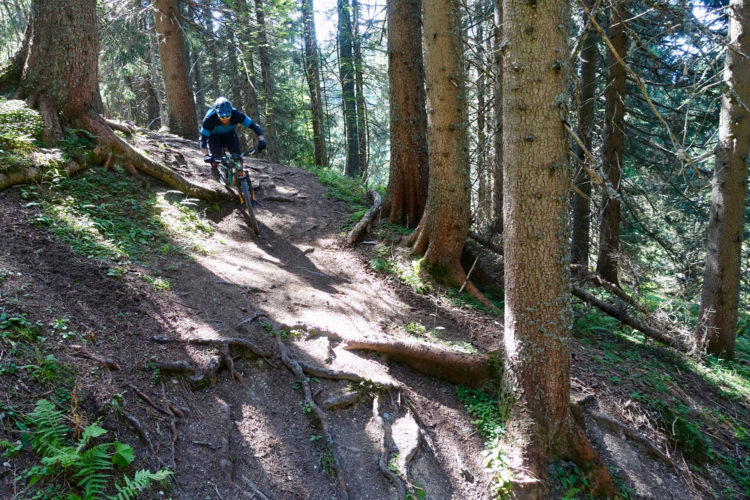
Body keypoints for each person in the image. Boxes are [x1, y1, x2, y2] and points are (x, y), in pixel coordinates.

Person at [200, 96, 266, 164]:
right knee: (216, 159)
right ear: (216, 113)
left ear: (231, 112)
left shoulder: (236, 114)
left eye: (228, 116)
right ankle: (215, 169)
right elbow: (203, 139)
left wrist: (261, 140)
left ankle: (240, 173)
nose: (225, 119)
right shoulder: (209, 119)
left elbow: (254, 126)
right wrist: (206, 155)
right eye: (222, 117)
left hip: (230, 134)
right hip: (214, 136)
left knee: (237, 157)